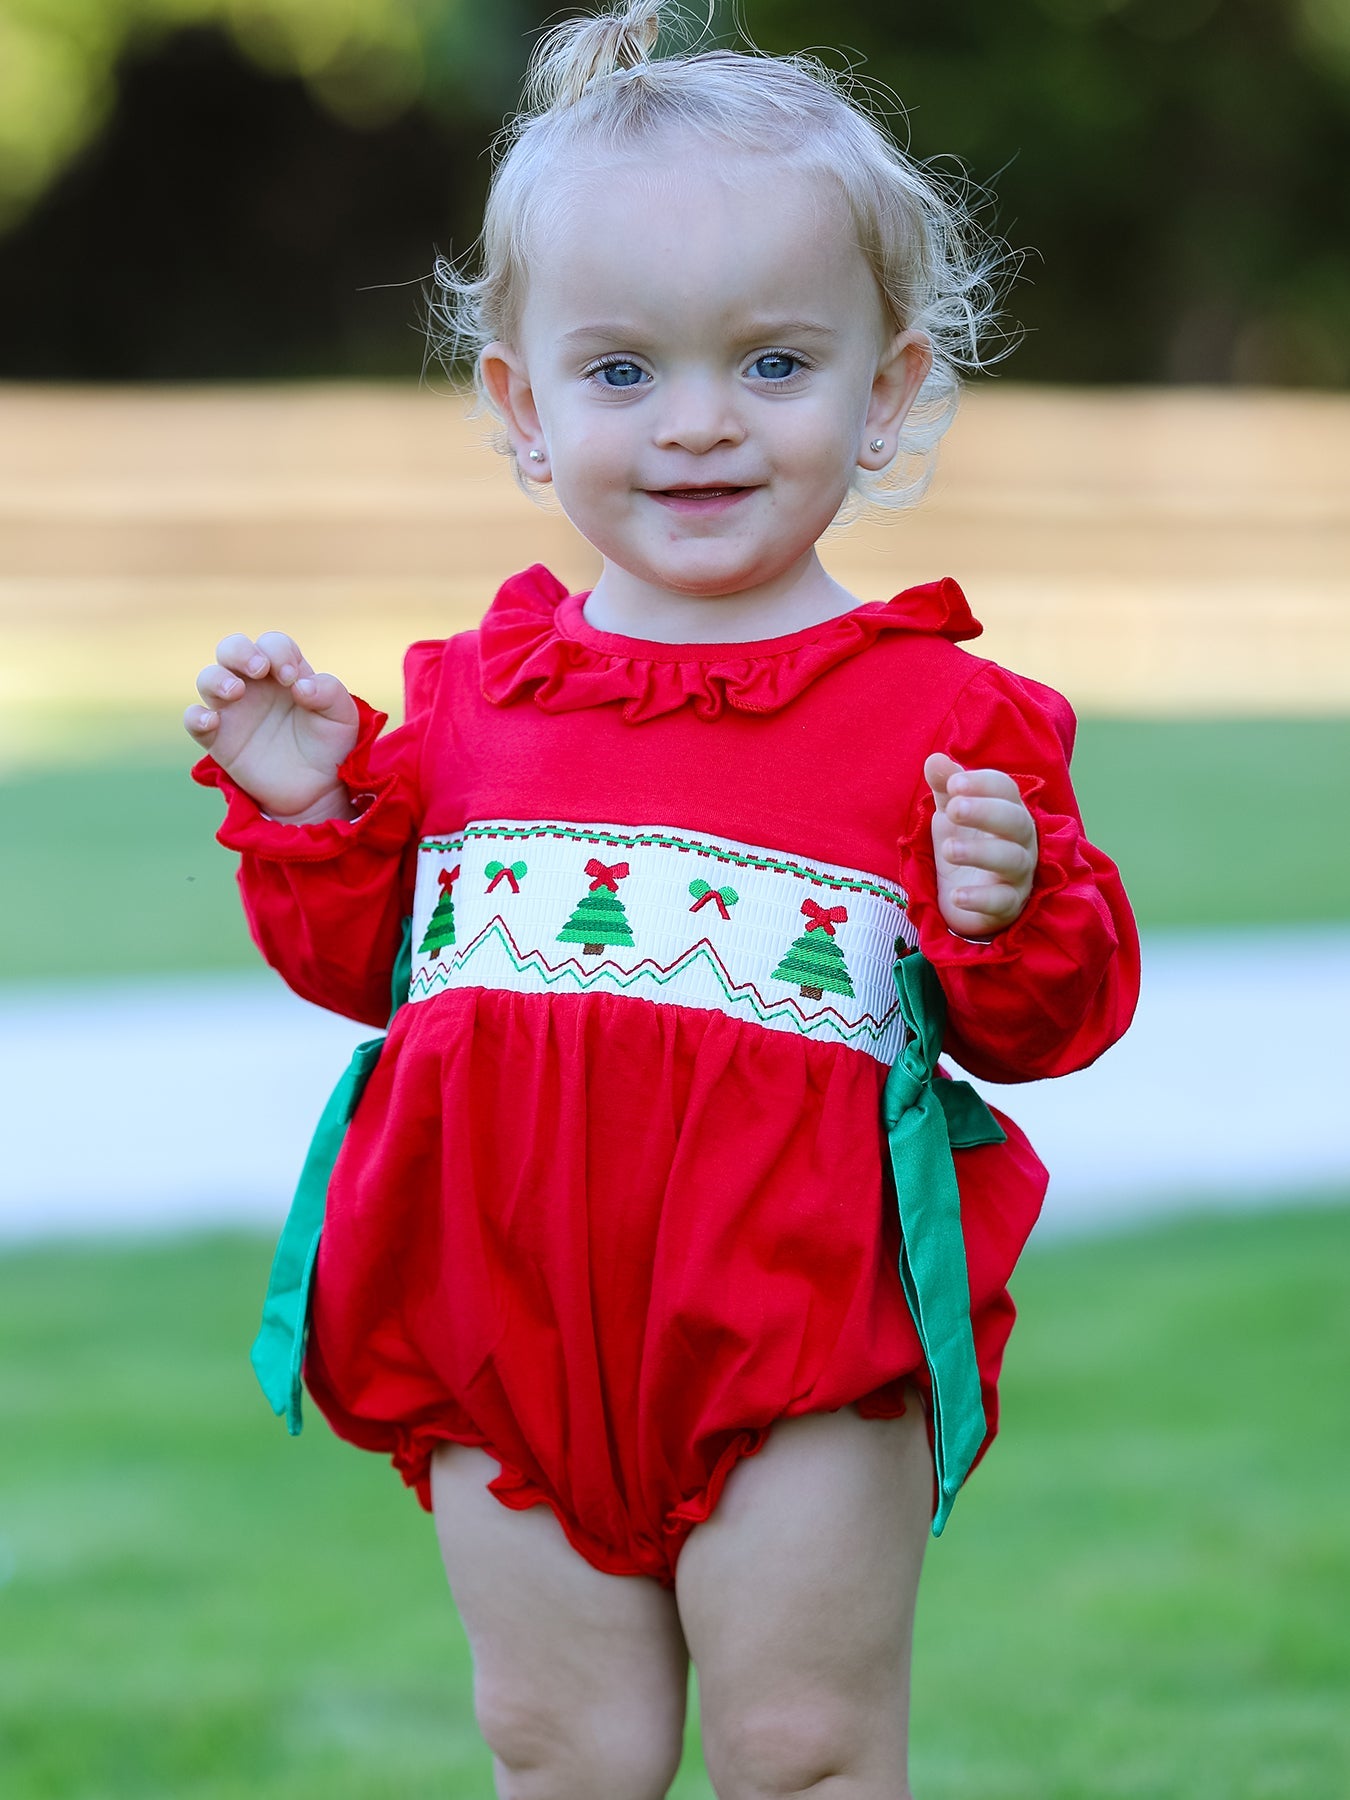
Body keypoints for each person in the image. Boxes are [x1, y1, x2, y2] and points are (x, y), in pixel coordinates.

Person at [186, 5, 1139, 1795]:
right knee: (557, 1745)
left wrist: (1004, 905)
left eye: (774, 364)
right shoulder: (468, 701)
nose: (699, 426)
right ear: (521, 405)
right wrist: (311, 811)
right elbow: (362, 973)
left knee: (800, 1746)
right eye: (623, 372)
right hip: (500, 1303)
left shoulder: (943, 717)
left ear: (891, 387)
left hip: (795, 1322)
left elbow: (1043, 1028)